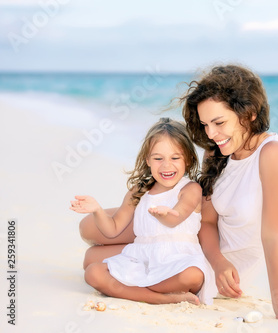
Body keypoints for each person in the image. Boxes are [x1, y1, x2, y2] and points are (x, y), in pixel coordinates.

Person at [79, 65, 278, 325]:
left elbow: (273, 235)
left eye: (219, 123)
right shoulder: (217, 151)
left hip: (218, 263)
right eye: (205, 124)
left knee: (93, 260)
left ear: (250, 113)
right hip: (197, 238)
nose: (211, 134)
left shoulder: (272, 155)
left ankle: (154, 289)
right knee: (89, 232)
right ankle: (148, 274)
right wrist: (217, 258)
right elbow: (207, 221)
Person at [71, 117, 214, 305]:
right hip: (141, 259)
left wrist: (167, 214)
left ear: (187, 159)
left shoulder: (190, 189)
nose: (166, 165)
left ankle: (134, 290)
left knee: (193, 276)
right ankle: (161, 298)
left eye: (175, 158)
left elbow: (177, 216)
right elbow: (112, 230)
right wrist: (97, 210)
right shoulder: (139, 191)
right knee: (93, 273)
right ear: (148, 160)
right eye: (158, 158)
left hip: (177, 260)